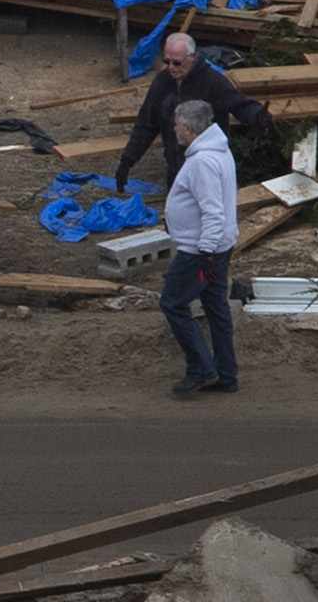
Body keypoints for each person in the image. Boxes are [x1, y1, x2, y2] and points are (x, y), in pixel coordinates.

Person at [115, 31, 274, 190]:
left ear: (192, 58)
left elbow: (238, 104)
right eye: (166, 61)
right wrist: (127, 161)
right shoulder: (162, 82)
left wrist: (257, 115)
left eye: (176, 63)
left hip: (207, 170)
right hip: (176, 169)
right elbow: (146, 124)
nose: (171, 67)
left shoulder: (213, 82)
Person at [159, 97, 240, 398]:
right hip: (218, 245)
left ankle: (201, 368)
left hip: (200, 249)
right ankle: (226, 373)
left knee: (173, 303)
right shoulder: (219, 151)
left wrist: (204, 251)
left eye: (178, 125)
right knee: (216, 308)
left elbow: (212, 210)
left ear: (190, 128)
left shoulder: (202, 162)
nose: (175, 129)